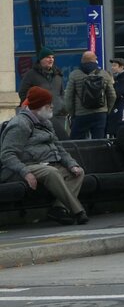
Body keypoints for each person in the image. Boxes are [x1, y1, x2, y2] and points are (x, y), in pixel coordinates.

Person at [0, 86, 88, 224]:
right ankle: (79, 211)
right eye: (48, 104)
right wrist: (25, 172)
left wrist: (72, 165)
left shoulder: (46, 123)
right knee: (51, 172)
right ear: (38, 106)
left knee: (78, 173)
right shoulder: (20, 124)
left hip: (46, 164)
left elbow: (59, 148)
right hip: (21, 168)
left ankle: (59, 209)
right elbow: (7, 155)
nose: (52, 107)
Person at [18, 47, 68, 139]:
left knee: (62, 139)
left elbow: (62, 93)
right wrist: (34, 108)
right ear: (41, 59)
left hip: (58, 114)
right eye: (48, 57)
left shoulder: (58, 75)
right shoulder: (31, 74)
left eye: (52, 57)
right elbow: (23, 93)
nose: (51, 59)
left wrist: (63, 107)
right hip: (41, 115)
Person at [64, 50, 116, 140]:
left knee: (77, 142)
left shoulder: (74, 75)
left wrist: (73, 113)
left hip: (81, 114)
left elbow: (68, 97)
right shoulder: (104, 74)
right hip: (100, 114)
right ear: (95, 60)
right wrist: (106, 110)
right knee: (99, 142)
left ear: (82, 60)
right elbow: (112, 95)